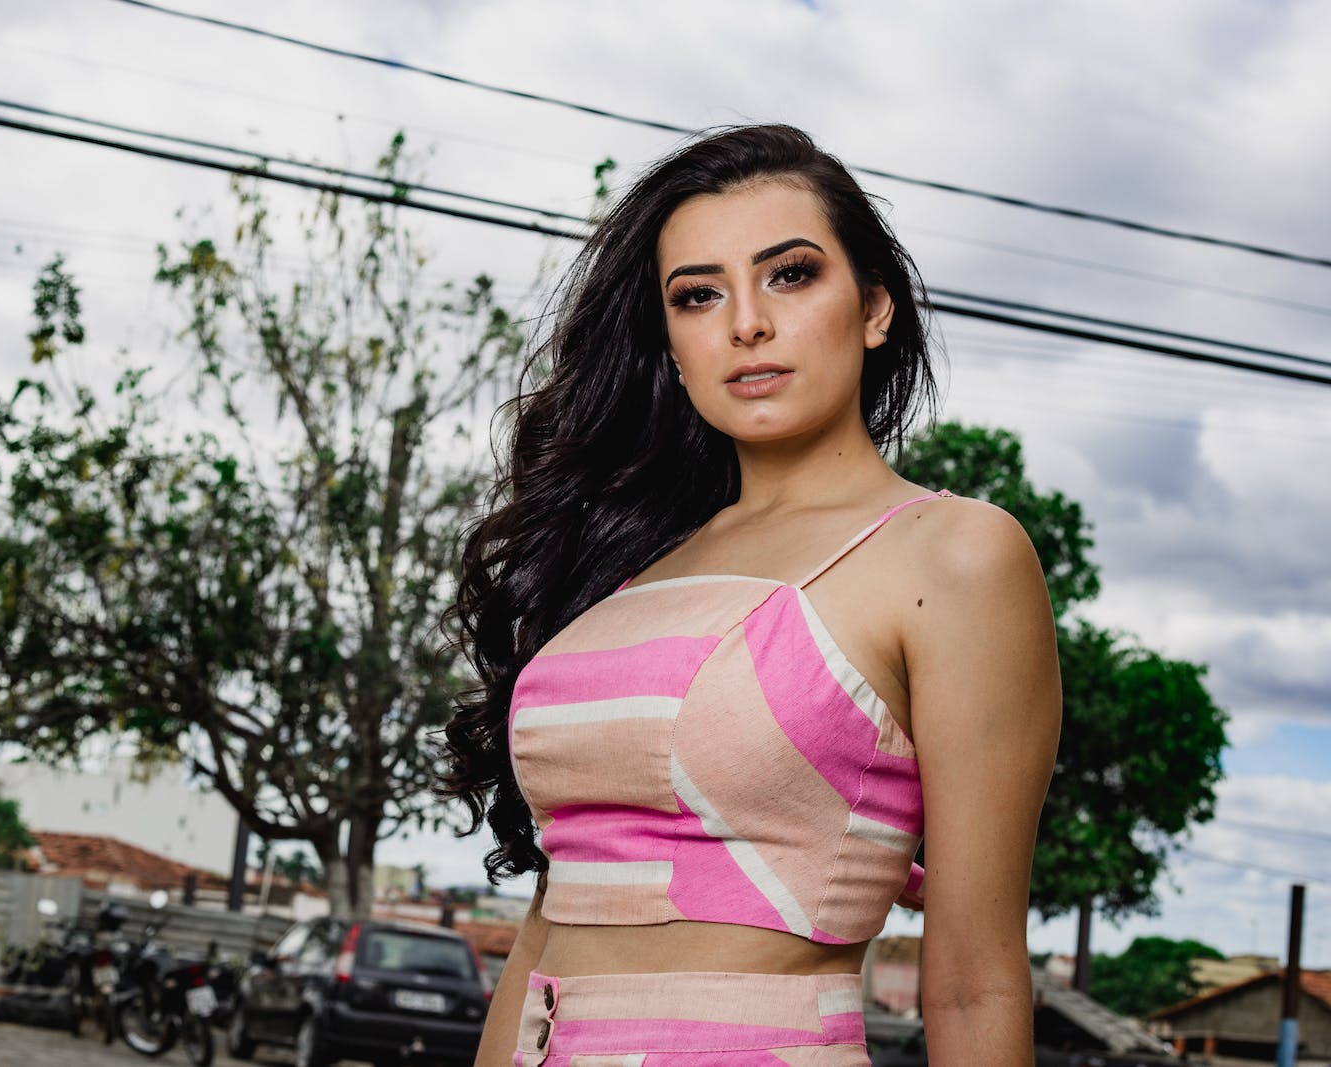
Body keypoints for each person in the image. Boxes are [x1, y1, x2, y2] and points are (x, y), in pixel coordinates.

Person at [443, 125, 1061, 1065]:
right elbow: (543, 934)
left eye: (790, 275)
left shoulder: (953, 555)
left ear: (875, 309)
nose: (745, 324)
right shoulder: (622, 567)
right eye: (698, 295)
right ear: (672, 344)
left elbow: (975, 978)